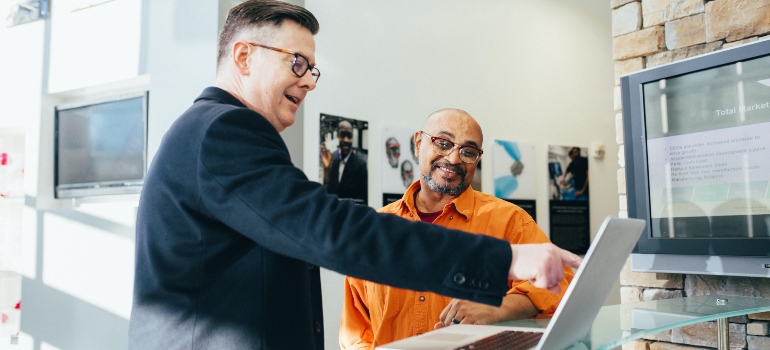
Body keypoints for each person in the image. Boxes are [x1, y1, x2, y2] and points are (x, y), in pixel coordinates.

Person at [128, 1, 582, 349]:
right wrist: (501, 260)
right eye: (297, 62)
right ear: (243, 57)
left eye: (313, 69)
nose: (308, 80)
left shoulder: (211, 131)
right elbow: (330, 232)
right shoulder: (224, 129)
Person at [339, 109, 575, 349]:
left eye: (468, 151)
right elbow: (357, 333)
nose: (453, 159)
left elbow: (559, 286)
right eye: (443, 143)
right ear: (419, 143)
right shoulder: (374, 230)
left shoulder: (510, 221)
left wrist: (498, 307)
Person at [321, 120, 368, 204]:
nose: (346, 140)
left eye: (349, 136)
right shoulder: (335, 163)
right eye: (342, 135)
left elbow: (364, 201)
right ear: (337, 137)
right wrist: (326, 169)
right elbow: (329, 194)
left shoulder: (360, 166)